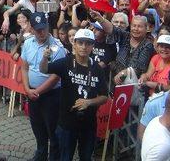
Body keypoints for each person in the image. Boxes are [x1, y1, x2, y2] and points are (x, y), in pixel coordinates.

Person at [40, 29, 109, 161]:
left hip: (88, 124)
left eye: (88, 43)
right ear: (74, 44)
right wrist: (44, 57)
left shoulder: (97, 69)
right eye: (81, 43)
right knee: (64, 157)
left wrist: (89, 102)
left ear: (92, 46)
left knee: (86, 157)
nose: (84, 47)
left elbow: (104, 96)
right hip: (67, 123)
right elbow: (43, 69)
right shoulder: (66, 62)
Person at [20, 12, 66, 161]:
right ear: (32, 29)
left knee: (52, 130)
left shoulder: (57, 47)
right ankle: (40, 155)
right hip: (32, 93)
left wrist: (36, 91)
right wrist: (27, 89)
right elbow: (24, 67)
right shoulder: (28, 43)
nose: (41, 32)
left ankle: (54, 157)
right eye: (37, 29)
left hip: (51, 95)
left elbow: (55, 76)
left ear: (48, 27)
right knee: (37, 127)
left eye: (43, 28)